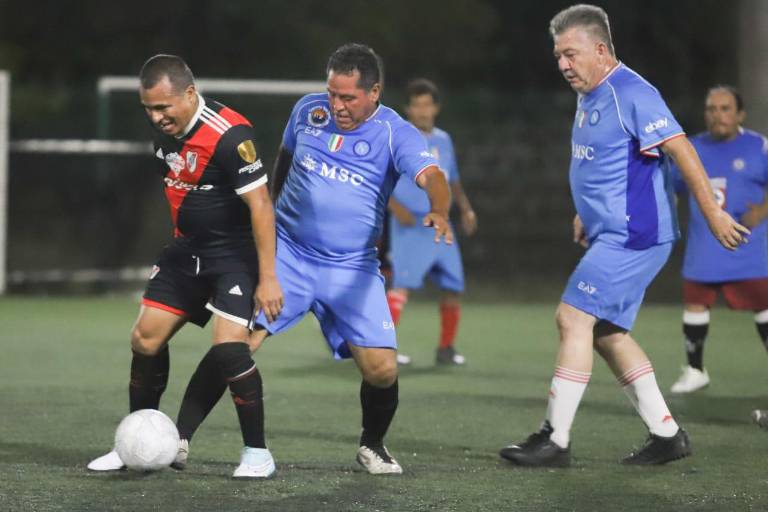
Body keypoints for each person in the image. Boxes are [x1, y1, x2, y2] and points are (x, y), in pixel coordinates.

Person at [170, 43, 453, 475]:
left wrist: (440, 209)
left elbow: (433, 176)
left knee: (381, 370)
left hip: (352, 268)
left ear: (374, 92)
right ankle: (180, 437)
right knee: (236, 342)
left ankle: (372, 445)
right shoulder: (307, 110)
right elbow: (284, 157)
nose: (336, 105)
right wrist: (269, 211)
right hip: (290, 255)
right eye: (332, 94)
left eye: (348, 98)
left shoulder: (395, 132)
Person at [498, 4, 749, 468]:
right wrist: (585, 213)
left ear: (600, 50)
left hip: (635, 234)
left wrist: (712, 213)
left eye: (570, 54)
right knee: (607, 332)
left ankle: (555, 438)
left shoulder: (631, 91)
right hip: (613, 232)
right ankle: (667, 435)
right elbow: (600, 160)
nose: (563, 65)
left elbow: (680, 149)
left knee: (573, 318)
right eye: (558, 56)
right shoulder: (590, 91)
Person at [86, 54, 284, 478]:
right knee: (144, 340)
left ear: (190, 94)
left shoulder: (231, 135)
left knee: (229, 349)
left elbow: (261, 205)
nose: (156, 117)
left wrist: (268, 277)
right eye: (148, 109)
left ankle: (257, 453)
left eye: (163, 107)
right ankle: (133, 444)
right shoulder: (164, 131)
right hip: (185, 253)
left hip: (234, 258)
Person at [668, 86, 768, 393]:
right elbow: (671, 188)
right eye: (712, 109)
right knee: (695, 303)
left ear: (740, 114)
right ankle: (695, 370)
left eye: (725, 109)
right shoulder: (691, 149)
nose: (718, 115)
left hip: (749, 247)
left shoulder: (759, 146)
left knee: (764, 306)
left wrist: (762, 210)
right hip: (705, 246)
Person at [386, 78, 477, 366]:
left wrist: (465, 209)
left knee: (453, 286)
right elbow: (377, 178)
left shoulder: (443, 139)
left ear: (436, 108)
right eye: (416, 105)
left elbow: (452, 179)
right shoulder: (398, 138)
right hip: (410, 225)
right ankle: (383, 349)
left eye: (427, 105)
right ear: (408, 109)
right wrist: (394, 206)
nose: (422, 111)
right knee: (402, 286)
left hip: (440, 224)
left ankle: (446, 348)